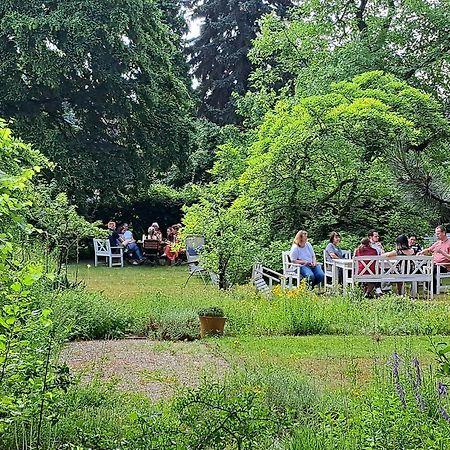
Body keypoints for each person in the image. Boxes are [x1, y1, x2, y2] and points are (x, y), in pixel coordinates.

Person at [419, 225, 450, 294]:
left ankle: (434, 290)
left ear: (444, 233)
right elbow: (429, 250)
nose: (437, 235)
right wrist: (421, 252)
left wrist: (442, 252)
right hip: (434, 264)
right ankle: (430, 287)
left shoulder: (449, 243)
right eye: (436, 233)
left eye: (438, 233)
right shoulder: (437, 243)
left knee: (432, 269)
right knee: (421, 268)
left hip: (444, 266)